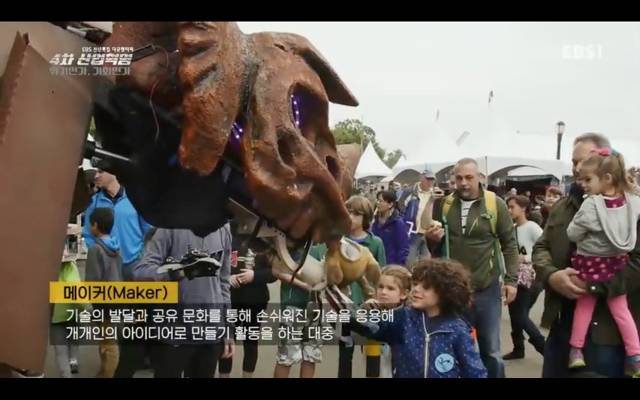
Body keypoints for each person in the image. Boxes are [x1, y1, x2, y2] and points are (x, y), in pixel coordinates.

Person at [533, 132, 640, 378]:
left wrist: (592, 286)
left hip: (606, 336)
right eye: (574, 162)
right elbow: (541, 248)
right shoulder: (564, 205)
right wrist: (552, 276)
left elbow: (637, 264)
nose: (579, 167)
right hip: (562, 329)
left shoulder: (632, 207)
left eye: (586, 160)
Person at [425, 157, 519, 378]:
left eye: (469, 177)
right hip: (454, 290)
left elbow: (510, 244)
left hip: (487, 288)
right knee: (453, 347)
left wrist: (511, 281)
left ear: (479, 178)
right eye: (459, 178)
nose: (464, 183)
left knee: (492, 352)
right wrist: (432, 238)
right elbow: (436, 251)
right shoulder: (445, 204)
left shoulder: (495, 204)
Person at [565, 148, 640, 376]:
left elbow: (572, 233)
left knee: (583, 307)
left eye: (587, 179)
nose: (582, 184)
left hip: (589, 264)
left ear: (606, 178)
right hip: (615, 264)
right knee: (621, 312)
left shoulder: (591, 205)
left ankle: (575, 351)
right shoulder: (632, 203)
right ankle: (635, 356)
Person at [350, 258, 487, 378]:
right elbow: (371, 326)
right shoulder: (402, 318)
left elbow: (475, 371)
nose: (416, 289)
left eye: (425, 287)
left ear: (446, 292)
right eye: (415, 284)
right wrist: (347, 313)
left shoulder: (458, 330)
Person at [132, 226, 234, 378]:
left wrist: (228, 328)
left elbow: (224, 283)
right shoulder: (169, 227)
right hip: (175, 332)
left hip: (211, 333)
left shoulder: (223, 228)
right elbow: (141, 271)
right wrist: (178, 271)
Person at [309, 195, 386, 378]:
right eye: (348, 212)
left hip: (369, 307)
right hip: (344, 306)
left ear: (366, 218)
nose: (351, 217)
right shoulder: (336, 242)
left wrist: (378, 300)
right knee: (345, 352)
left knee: (372, 351)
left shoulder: (375, 243)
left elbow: (380, 276)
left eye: (357, 214)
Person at [218, 234, 276, 378]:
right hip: (231, 300)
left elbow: (274, 272)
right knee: (227, 341)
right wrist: (227, 278)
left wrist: (255, 276)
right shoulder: (228, 235)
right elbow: (215, 265)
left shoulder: (265, 241)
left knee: (251, 342)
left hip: (256, 301)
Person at [82, 165, 152, 280]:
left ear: (114, 173)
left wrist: (142, 255)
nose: (96, 175)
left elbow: (148, 231)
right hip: (108, 266)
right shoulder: (93, 203)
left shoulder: (135, 198)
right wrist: (99, 257)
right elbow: (88, 234)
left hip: (134, 264)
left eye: (101, 171)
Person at [503, 196, 545, 360]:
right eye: (508, 207)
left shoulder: (532, 228)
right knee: (515, 315)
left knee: (521, 316)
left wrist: (526, 259)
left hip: (532, 279)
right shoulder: (512, 229)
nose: (509, 210)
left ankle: (544, 348)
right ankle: (518, 348)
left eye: (512, 207)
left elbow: (545, 249)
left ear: (523, 209)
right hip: (515, 277)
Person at [84, 208, 123, 378]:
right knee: (107, 340)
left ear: (96, 225)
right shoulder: (116, 247)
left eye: (90, 223)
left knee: (108, 343)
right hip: (116, 298)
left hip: (103, 302)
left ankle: (108, 374)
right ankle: (103, 372)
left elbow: (92, 280)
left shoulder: (95, 250)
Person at [272, 251, 323, 379]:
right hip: (292, 305)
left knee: (310, 355)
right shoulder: (292, 240)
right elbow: (276, 270)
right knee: (286, 357)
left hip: (315, 308)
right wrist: (303, 284)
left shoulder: (324, 244)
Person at [359, 265, 412, 378]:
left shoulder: (407, 317)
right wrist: (363, 311)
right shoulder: (370, 311)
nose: (383, 292)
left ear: (404, 294)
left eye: (390, 288)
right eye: (380, 287)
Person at [401, 169, 439, 267]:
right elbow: (400, 208)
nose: (430, 182)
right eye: (428, 179)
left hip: (428, 233)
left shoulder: (435, 194)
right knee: (409, 262)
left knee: (426, 264)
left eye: (432, 180)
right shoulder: (410, 191)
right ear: (421, 178)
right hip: (412, 232)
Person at [371, 190, 410, 266]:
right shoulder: (373, 221)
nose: (378, 203)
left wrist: (399, 267)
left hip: (390, 265)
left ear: (390, 204)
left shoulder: (398, 223)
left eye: (381, 201)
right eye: (377, 200)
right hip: (374, 264)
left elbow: (403, 248)